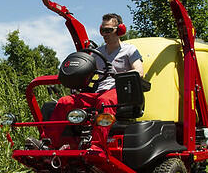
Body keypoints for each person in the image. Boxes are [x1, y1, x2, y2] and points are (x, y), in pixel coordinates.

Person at [45, 13, 144, 151]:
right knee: (65, 101)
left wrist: (116, 75)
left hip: (119, 93)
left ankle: (97, 145)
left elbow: (139, 72)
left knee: (104, 102)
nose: (105, 34)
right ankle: (49, 143)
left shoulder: (129, 50)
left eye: (108, 30)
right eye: (103, 30)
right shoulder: (97, 53)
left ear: (120, 30)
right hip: (98, 93)